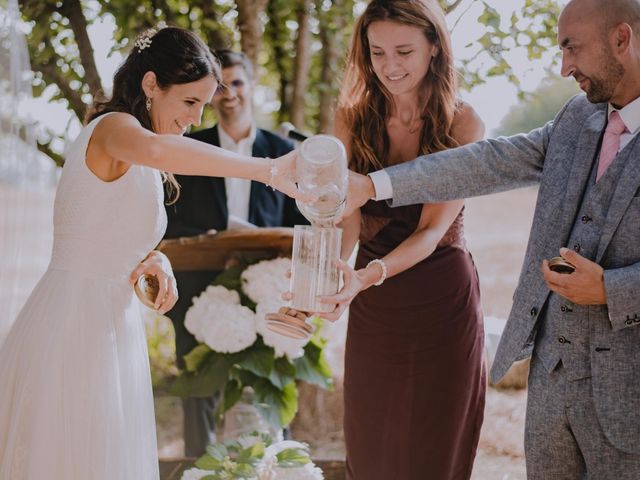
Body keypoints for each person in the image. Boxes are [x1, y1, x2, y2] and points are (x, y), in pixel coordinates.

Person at [345, 0, 640, 477]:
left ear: (621, 39)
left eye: (572, 48)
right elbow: (486, 162)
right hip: (552, 387)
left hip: (631, 392)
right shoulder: (575, 119)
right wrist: (375, 185)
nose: (564, 66)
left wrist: (614, 289)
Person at [0, 26, 304, 480]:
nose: (194, 118)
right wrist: (269, 170)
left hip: (112, 326)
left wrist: (154, 258)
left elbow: (111, 231)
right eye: (188, 102)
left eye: (202, 105)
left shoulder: (137, 149)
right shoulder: (114, 128)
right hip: (75, 324)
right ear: (150, 85)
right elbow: (164, 148)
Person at [317, 1, 486, 478]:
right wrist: (334, 277)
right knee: (373, 446)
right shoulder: (351, 117)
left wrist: (366, 276)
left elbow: (432, 232)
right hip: (374, 304)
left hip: (441, 299)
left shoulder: (463, 122)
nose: (390, 66)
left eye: (404, 51)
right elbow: (348, 216)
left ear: (434, 46)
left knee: (436, 448)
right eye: (377, 52)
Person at [164, 49, 307, 456]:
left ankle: (271, 464)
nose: (230, 94)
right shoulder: (187, 148)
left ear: (252, 86)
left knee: (270, 393)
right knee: (199, 401)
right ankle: (198, 468)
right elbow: (168, 222)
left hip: (268, 294)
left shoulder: (284, 151)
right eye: (221, 86)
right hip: (197, 295)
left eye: (237, 83)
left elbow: (303, 226)